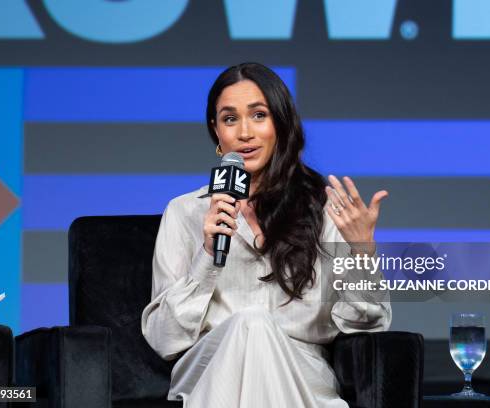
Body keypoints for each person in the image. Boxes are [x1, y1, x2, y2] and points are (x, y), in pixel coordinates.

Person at [141, 62, 391, 408]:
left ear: (281, 124)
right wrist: (207, 258)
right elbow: (163, 338)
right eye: (230, 119)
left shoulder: (322, 207)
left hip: (298, 373)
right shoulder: (184, 212)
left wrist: (362, 250)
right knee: (250, 324)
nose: (245, 133)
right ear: (216, 131)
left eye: (259, 115)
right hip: (210, 369)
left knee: (256, 326)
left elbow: (367, 324)